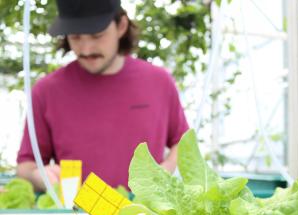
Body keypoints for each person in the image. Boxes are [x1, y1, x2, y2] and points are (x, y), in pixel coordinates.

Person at [17, 0, 189, 192]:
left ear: (121, 26)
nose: (86, 49)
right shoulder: (46, 90)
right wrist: (40, 176)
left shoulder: (159, 81)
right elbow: (26, 165)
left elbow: (183, 143)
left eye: (97, 36)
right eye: (75, 37)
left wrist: (164, 173)